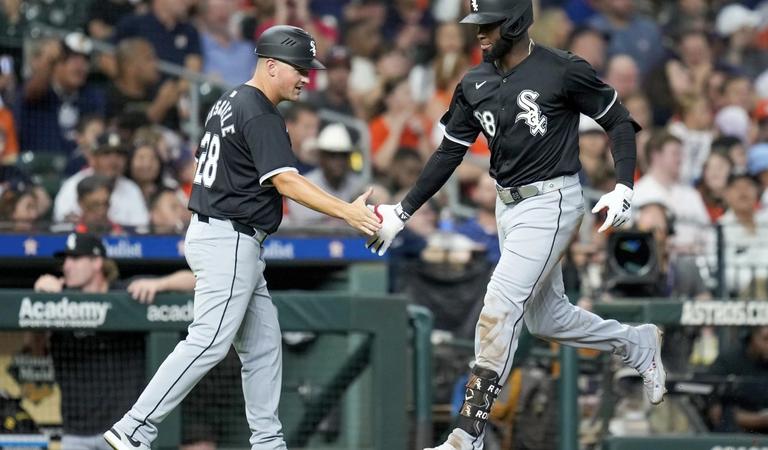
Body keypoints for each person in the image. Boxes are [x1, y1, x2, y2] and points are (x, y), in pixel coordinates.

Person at [365, 2, 666, 448]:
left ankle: (467, 435)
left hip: (552, 201)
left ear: (516, 22)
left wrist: (624, 184)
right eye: (477, 25)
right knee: (547, 319)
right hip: (509, 208)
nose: (480, 34)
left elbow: (618, 120)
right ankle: (634, 342)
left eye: (489, 25)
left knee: (498, 307)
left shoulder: (562, 69)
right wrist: (403, 211)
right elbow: (449, 152)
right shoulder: (474, 81)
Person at [104, 25, 380, 450]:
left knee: (264, 345)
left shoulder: (230, 100)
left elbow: (210, 164)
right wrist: (347, 212)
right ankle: (134, 428)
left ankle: (268, 443)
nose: (307, 77)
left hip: (223, 233)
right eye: (300, 68)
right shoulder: (260, 111)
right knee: (210, 341)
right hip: (229, 238)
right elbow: (286, 182)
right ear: (271, 65)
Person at [33, 233, 196, 450]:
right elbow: (35, 349)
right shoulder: (60, 299)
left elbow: (196, 280)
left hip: (123, 431)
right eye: (66, 260)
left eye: (75, 258)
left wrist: (159, 284)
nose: (67, 266)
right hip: (75, 431)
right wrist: (40, 300)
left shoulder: (126, 294)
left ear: (97, 262)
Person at [708, 326, 768, 436]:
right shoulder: (729, 360)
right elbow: (716, 414)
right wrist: (763, 420)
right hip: (739, 438)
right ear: (752, 337)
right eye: (766, 339)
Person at [285, 123, 364, 227]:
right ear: (321, 157)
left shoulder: (357, 187)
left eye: (343, 155)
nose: (338, 161)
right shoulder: (305, 185)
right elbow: (302, 221)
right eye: (332, 155)